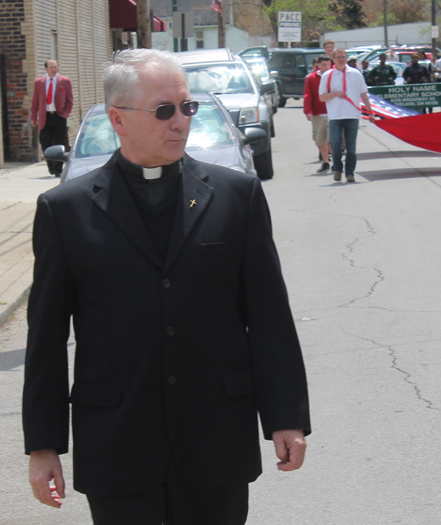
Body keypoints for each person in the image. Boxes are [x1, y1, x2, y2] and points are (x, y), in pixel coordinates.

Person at [23, 48, 311, 525]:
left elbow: (268, 316)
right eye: (164, 111)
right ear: (118, 119)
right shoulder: (65, 211)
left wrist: (286, 416)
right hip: (117, 444)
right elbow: (46, 339)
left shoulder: (236, 197)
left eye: (187, 107)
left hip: (215, 438)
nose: (180, 122)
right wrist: (43, 445)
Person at [319, 48, 375, 183]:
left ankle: (350, 172)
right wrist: (335, 94)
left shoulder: (356, 74)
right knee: (335, 144)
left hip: (352, 115)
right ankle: (337, 168)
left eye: (343, 57)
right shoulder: (327, 75)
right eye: (338, 57)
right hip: (335, 116)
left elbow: (363, 95)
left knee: (351, 147)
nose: (341, 59)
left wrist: (370, 112)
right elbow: (322, 97)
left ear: (347, 58)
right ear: (333, 59)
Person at [30, 59, 73, 177]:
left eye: (55, 67)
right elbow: (34, 102)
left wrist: (65, 114)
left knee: (60, 142)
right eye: (51, 67)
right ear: (46, 69)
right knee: (45, 143)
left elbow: (70, 100)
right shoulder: (39, 82)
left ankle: (58, 169)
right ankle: (51, 167)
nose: (54, 69)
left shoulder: (65, 81)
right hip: (45, 117)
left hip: (59, 116)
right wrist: (33, 116)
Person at [304, 55, 331, 173]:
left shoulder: (334, 76)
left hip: (333, 113)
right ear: (318, 65)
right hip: (318, 114)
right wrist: (308, 111)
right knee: (320, 139)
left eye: (328, 65)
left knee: (334, 139)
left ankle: (336, 162)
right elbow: (307, 95)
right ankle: (326, 162)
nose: (327, 67)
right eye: (324, 65)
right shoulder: (312, 78)